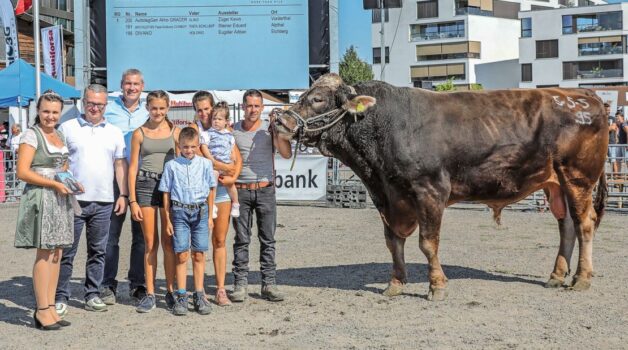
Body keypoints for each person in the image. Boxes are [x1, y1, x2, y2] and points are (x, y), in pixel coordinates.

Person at [54, 84, 128, 316]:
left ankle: (92, 294)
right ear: (83, 102)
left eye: (99, 104)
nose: (94, 108)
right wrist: (67, 186)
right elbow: (59, 162)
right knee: (67, 251)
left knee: (98, 251)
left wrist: (123, 194)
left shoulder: (114, 132)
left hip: (104, 200)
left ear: (106, 105)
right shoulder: (67, 128)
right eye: (91, 103)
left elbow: (119, 165)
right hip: (73, 201)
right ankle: (61, 296)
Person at [14, 92, 74, 330]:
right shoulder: (31, 135)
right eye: (46, 111)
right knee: (45, 252)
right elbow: (22, 172)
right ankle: (41, 310)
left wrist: (69, 181)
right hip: (42, 196)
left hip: (60, 195)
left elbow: (63, 165)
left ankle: (50, 307)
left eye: (55, 112)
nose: (50, 116)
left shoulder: (59, 134)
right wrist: (54, 183)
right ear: (38, 111)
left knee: (57, 252)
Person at [230, 89, 291, 303]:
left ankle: (269, 284)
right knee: (241, 240)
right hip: (240, 191)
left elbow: (286, 153)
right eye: (249, 105)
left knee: (268, 239)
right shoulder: (233, 131)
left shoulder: (269, 129)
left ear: (262, 108)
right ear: (243, 106)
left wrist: (277, 132)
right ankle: (240, 285)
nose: (253, 109)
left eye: (257, 106)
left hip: (265, 189)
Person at [128, 90, 180, 313]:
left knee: (169, 243)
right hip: (146, 186)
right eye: (153, 108)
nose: (157, 112)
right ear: (147, 108)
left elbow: (181, 164)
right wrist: (132, 200)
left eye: (162, 108)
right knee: (150, 243)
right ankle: (150, 293)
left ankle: (169, 291)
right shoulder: (139, 133)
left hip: (168, 188)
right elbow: (132, 168)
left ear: (168, 108)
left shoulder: (176, 132)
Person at [189, 91, 242, 306]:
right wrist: (226, 167)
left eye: (207, 109)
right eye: (199, 110)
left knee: (220, 240)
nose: (203, 113)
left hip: (222, 192)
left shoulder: (224, 131)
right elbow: (203, 159)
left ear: (214, 109)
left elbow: (237, 159)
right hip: (199, 193)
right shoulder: (194, 131)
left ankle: (220, 289)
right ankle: (199, 290)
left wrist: (233, 177)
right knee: (199, 244)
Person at [101, 69, 148, 305]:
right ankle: (107, 284)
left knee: (141, 237)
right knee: (111, 236)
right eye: (128, 83)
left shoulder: (149, 111)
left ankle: (137, 284)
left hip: (141, 180)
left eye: (136, 84)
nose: (131, 87)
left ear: (142, 86)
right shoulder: (108, 108)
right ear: (121, 85)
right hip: (115, 179)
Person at [160, 127, 216, 315]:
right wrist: (167, 219)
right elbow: (166, 192)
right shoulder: (172, 166)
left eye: (192, 147)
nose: (189, 150)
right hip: (179, 212)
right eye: (185, 147)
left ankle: (199, 293)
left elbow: (211, 188)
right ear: (179, 146)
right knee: (181, 253)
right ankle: (181, 294)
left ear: (198, 145)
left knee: (199, 253)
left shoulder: (206, 164)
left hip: (200, 211)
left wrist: (209, 216)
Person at [200, 101, 240, 217]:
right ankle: (212, 205)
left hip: (227, 165)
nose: (216, 121)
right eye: (214, 119)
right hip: (214, 165)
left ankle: (236, 204)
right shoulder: (208, 133)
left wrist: (233, 159)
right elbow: (204, 147)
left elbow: (233, 149)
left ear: (227, 121)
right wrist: (211, 159)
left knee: (230, 184)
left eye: (220, 119)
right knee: (213, 180)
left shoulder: (229, 135)